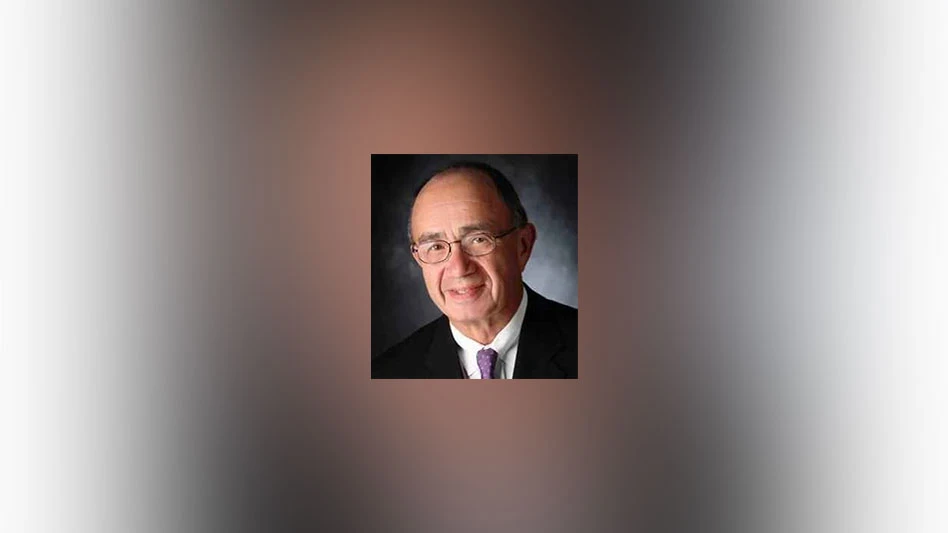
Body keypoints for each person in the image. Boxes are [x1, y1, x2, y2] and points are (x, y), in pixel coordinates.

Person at [372, 161, 577, 379]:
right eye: (436, 246)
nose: (459, 269)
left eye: (478, 239)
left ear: (523, 246)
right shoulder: (388, 373)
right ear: (418, 258)